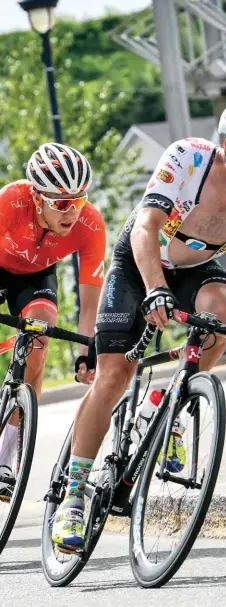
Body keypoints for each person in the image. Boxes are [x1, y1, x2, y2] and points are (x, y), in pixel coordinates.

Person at [51, 92, 226, 552]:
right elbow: (147, 228)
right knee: (112, 377)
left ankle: (169, 407)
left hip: (193, 268)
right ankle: (73, 497)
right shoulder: (188, 157)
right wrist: (154, 288)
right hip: (140, 262)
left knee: (223, 305)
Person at [0, 142, 106, 501]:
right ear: (36, 196)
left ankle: (7, 454)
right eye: (61, 203)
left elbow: (89, 303)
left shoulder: (90, 223)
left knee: (40, 333)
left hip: (35, 276)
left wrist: (84, 352)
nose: (71, 212)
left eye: (77, 201)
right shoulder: (11, 201)